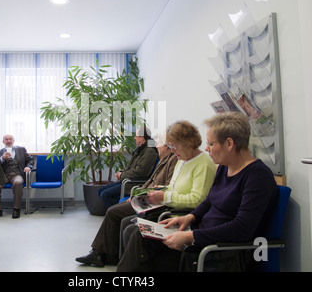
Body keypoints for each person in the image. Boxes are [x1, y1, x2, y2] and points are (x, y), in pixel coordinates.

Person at [116, 112, 278, 272]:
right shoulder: (225, 168)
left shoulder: (258, 176)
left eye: (211, 144)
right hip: (199, 238)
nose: (207, 149)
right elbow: (209, 201)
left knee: (144, 252)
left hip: (217, 250)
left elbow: (242, 228)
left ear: (229, 144)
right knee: (140, 236)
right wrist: (189, 217)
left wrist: (191, 236)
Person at [117, 120, 216, 268]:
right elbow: (174, 187)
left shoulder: (204, 163)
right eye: (170, 146)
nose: (173, 151)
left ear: (188, 142)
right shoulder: (182, 160)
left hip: (179, 215)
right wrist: (162, 190)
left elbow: (198, 199)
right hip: (169, 210)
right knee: (128, 225)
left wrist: (165, 196)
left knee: (135, 232)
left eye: (174, 146)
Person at [75, 135, 178, 267]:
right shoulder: (158, 157)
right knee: (108, 200)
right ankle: (102, 253)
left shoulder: (166, 158)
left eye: (159, 143)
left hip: (150, 200)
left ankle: (101, 254)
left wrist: (135, 189)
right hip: (142, 194)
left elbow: (159, 183)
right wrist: (135, 191)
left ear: (167, 146)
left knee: (113, 211)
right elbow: (149, 180)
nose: (156, 145)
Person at [98, 126, 158, 208]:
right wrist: (121, 172)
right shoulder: (140, 149)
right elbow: (130, 166)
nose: (134, 138)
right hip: (128, 180)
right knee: (100, 190)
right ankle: (116, 210)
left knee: (105, 195)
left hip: (134, 183)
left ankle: (118, 211)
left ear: (142, 138)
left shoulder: (150, 152)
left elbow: (140, 172)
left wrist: (122, 176)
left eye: (136, 136)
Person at [0, 134, 34, 219]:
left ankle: (16, 209)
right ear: (3, 142)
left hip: (17, 174)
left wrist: (28, 167)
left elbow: (30, 159)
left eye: (10, 139)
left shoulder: (21, 149)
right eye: (6, 139)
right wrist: (2, 158)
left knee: (17, 183)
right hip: (3, 176)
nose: (8, 141)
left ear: (13, 141)